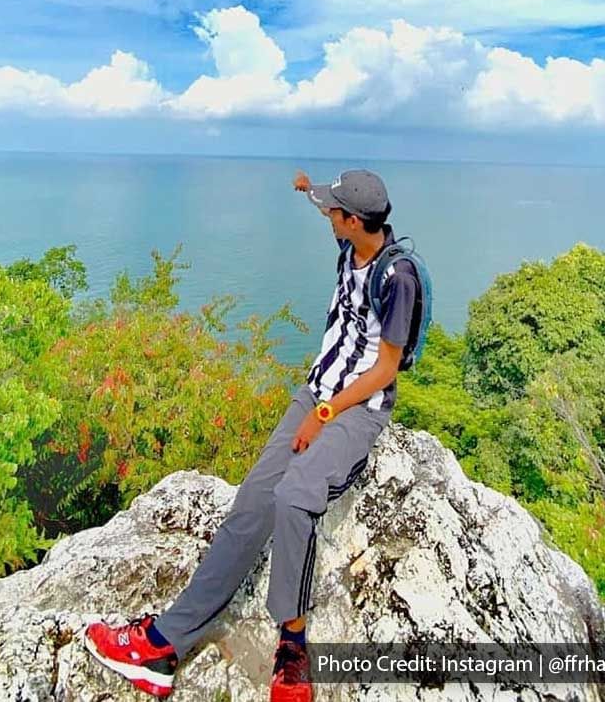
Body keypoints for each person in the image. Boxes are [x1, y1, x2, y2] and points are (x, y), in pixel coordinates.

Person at [84, 169, 421, 700]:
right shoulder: (351, 240)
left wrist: (325, 415)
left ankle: (292, 644)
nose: (326, 215)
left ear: (354, 222)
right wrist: (307, 187)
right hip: (317, 391)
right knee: (250, 508)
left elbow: (387, 368)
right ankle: (165, 644)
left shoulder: (397, 277)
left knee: (294, 497)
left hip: (354, 408)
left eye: (334, 210)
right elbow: (325, 202)